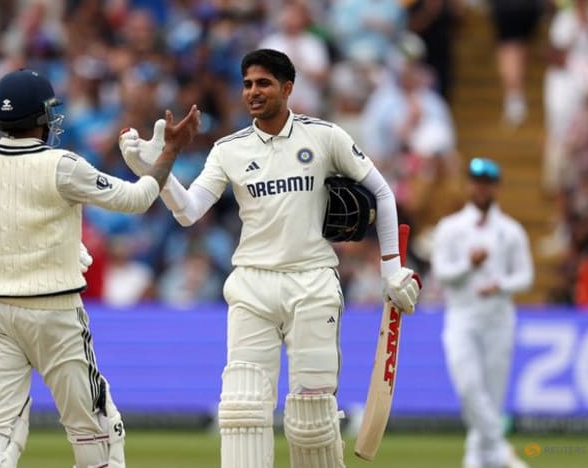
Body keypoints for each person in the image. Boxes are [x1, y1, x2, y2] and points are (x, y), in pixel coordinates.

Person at [119, 49, 422, 468]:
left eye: (263, 83)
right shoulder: (229, 149)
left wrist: (391, 270)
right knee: (243, 411)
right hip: (252, 285)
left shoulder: (325, 137)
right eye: (247, 84)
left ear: (287, 88)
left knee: (312, 419)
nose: (253, 92)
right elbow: (189, 212)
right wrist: (159, 171)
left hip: (312, 282)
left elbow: (383, 193)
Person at [0, 69, 199, 468]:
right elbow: (135, 199)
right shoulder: (61, 164)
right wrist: (168, 153)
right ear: (40, 116)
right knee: (97, 428)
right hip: (54, 310)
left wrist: (37, 245)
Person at [431, 157, 533, 468]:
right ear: (468, 185)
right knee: (469, 388)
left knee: (492, 397)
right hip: (462, 318)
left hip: (499, 320)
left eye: (487, 183)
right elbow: (442, 273)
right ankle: (500, 452)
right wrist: (469, 265)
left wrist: (500, 285)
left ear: (496, 188)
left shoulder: (511, 231)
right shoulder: (450, 228)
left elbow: (525, 277)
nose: (481, 188)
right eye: (476, 182)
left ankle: (477, 458)